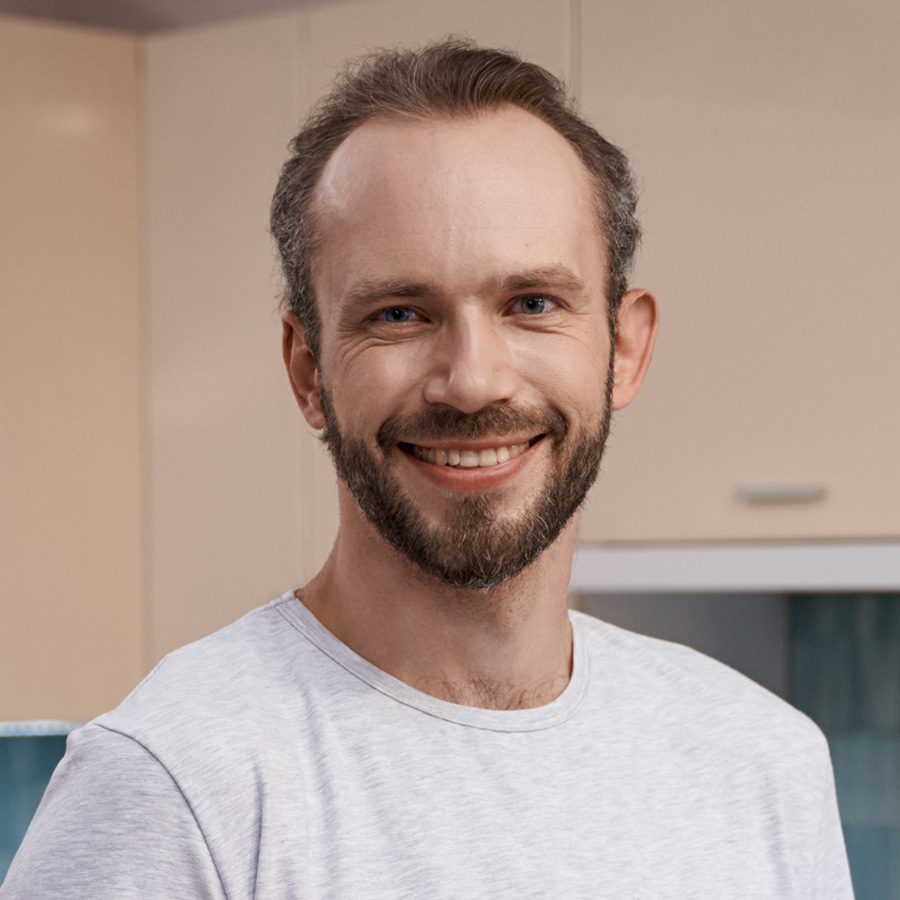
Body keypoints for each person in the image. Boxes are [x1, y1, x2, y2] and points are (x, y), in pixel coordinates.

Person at [1, 39, 853, 899]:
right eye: (400, 313)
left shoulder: (763, 764)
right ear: (308, 370)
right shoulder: (174, 786)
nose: (473, 380)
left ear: (625, 348)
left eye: (532, 304)